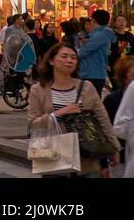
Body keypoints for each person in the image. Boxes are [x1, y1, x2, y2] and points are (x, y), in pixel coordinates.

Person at [27, 43, 118, 178]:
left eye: (73, 57)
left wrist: (114, 148)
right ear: (51, 61)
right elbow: (32, 125)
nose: (69, 60)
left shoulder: (87, 87)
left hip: (87, 158)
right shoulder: (38, 90)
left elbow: (103, 120)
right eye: (64, 56)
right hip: (54, 157)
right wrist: (58, 114)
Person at [77, 9, 115, 96]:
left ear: (94, 21)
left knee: (90, 103)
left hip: (92, 74)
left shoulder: (99, 35)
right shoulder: (101, 34)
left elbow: (83, 52)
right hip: (94, 73)